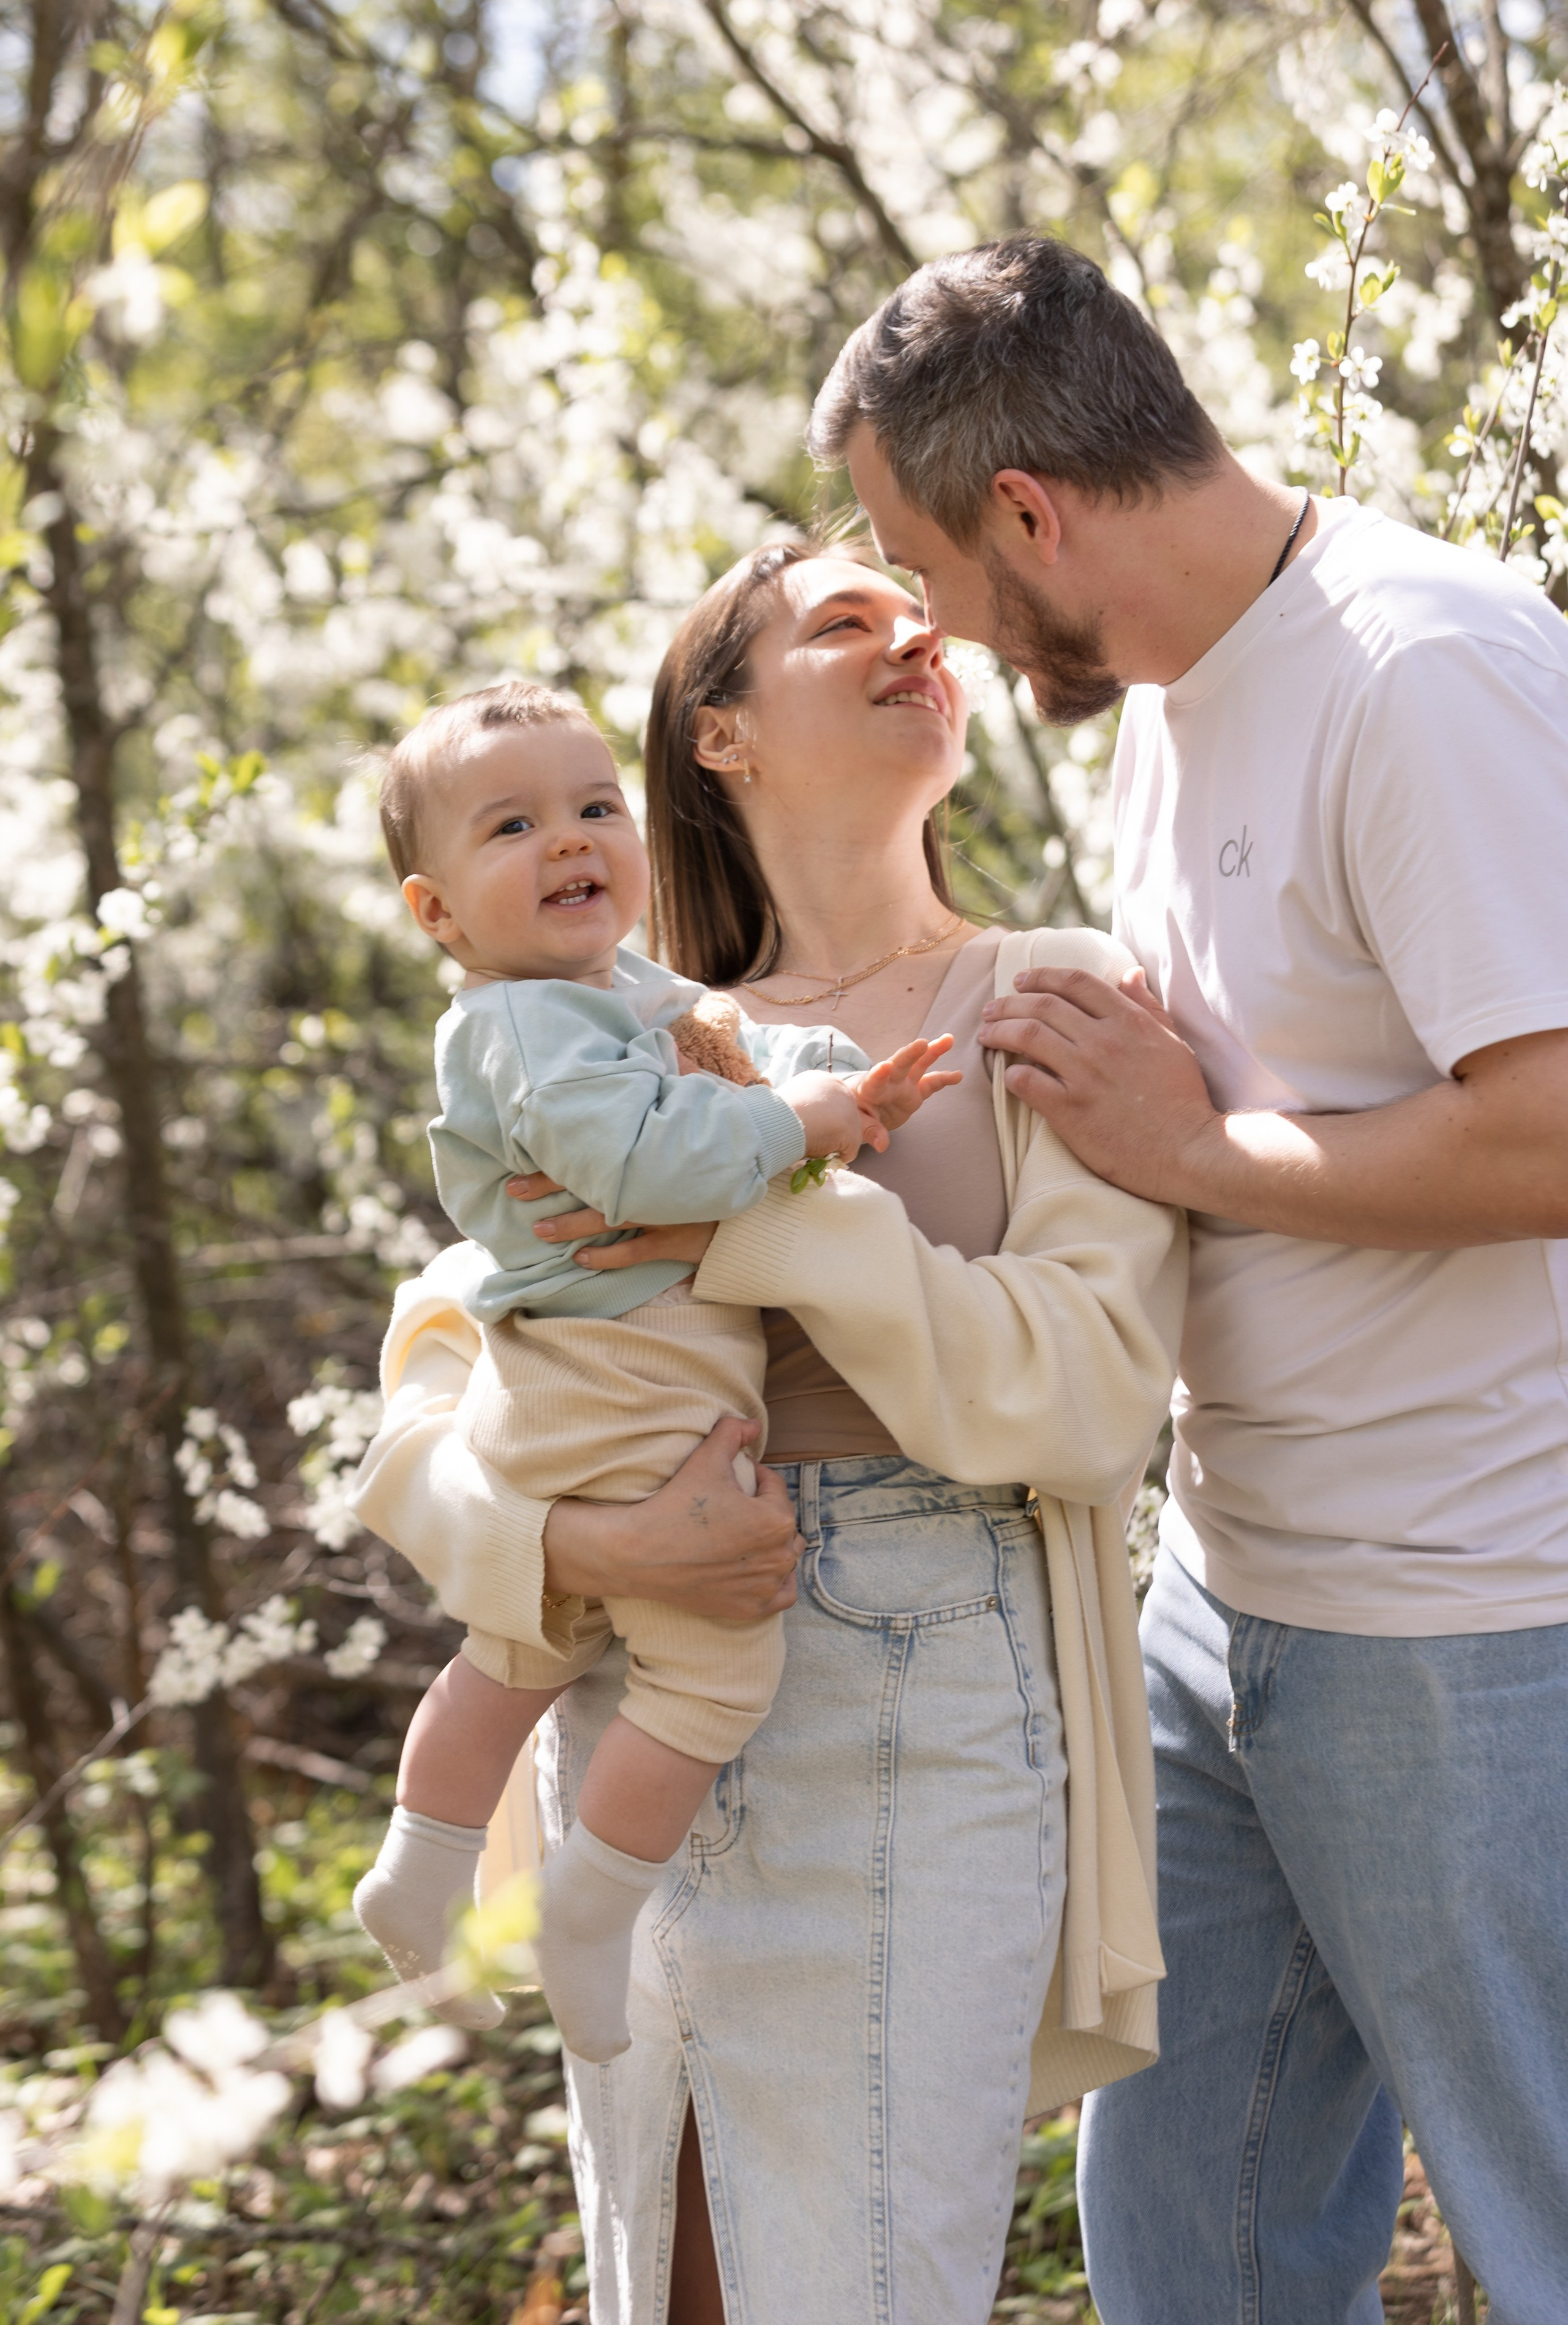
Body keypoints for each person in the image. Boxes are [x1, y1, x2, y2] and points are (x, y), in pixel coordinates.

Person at [812, 230, 1568, 2323]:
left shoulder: (1420, 668)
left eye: (922, 557)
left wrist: (1186, 1147)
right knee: (1185, 2246)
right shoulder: (1171, 703)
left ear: (1031, 512)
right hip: (1228, 1606)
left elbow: (1557, 1130)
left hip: (1464, 1623)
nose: (929, 619)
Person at [349, 539, 1186, 2323]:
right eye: (844, 622)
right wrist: (572, 1547)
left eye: (922, 616)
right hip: (632, 1680)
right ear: (718, 733)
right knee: (676, 2268)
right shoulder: (598, 1018)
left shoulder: (1047, 990)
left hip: (925, 1679)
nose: (915, 637)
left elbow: (1095, 1394)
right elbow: (432, 1386)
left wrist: (764, 1202)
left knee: (871, 2275)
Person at [351, 676, 957, 2058]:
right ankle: (585, 1905)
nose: (567, 839)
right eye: (510, 825)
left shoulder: (617, 989)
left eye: (591, 806)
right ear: (436, 913)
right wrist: (799, 1123)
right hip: (624, 1370)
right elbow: (638, 1161)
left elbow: (734, 1050)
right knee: (712, 1678)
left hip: (595, 1373)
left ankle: (415, 1867)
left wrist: (834, 1080)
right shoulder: (516, 1028)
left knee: (520, 1649)